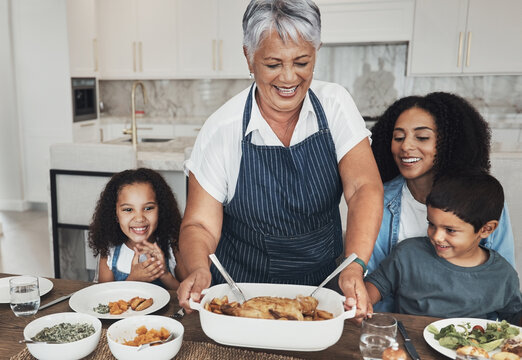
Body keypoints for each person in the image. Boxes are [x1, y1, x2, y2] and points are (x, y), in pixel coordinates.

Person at [176, 0, 383, 321]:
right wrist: (199, 270)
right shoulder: (222, 129)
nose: (289, 78)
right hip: (240, 297)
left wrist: (355, 266)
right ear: (248, 56)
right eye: (273, 64)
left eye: (302, 62)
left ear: (317, 50)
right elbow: (200, 224)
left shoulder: (335, 105)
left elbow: (363, 188)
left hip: (323, 292)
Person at [369, 92, 515, 312]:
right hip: (398, 328)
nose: (406, 146)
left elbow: (500, 280)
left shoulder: (483, 203)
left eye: (422, 137)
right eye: (398, 137)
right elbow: (374, 281)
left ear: (448, 143)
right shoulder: (377, 200)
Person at [365, 171, 522, 324]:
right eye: (431, 224)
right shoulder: (407, 254)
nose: (436, 237)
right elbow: (378, 284)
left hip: (470, 349)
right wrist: (363, 302)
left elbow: (514, 315)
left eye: (450, 230)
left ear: (486, 229)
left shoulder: (502, 276)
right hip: (407, 344)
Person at [88, 168, 182, 290]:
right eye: (128, 209)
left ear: (161, 209)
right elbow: (105, 300)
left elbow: (189, 298)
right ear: (115, 214)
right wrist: (133, 279)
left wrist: (164, 274)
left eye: (148, 208)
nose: (139, 218)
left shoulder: (173, 246)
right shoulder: (109, 250)